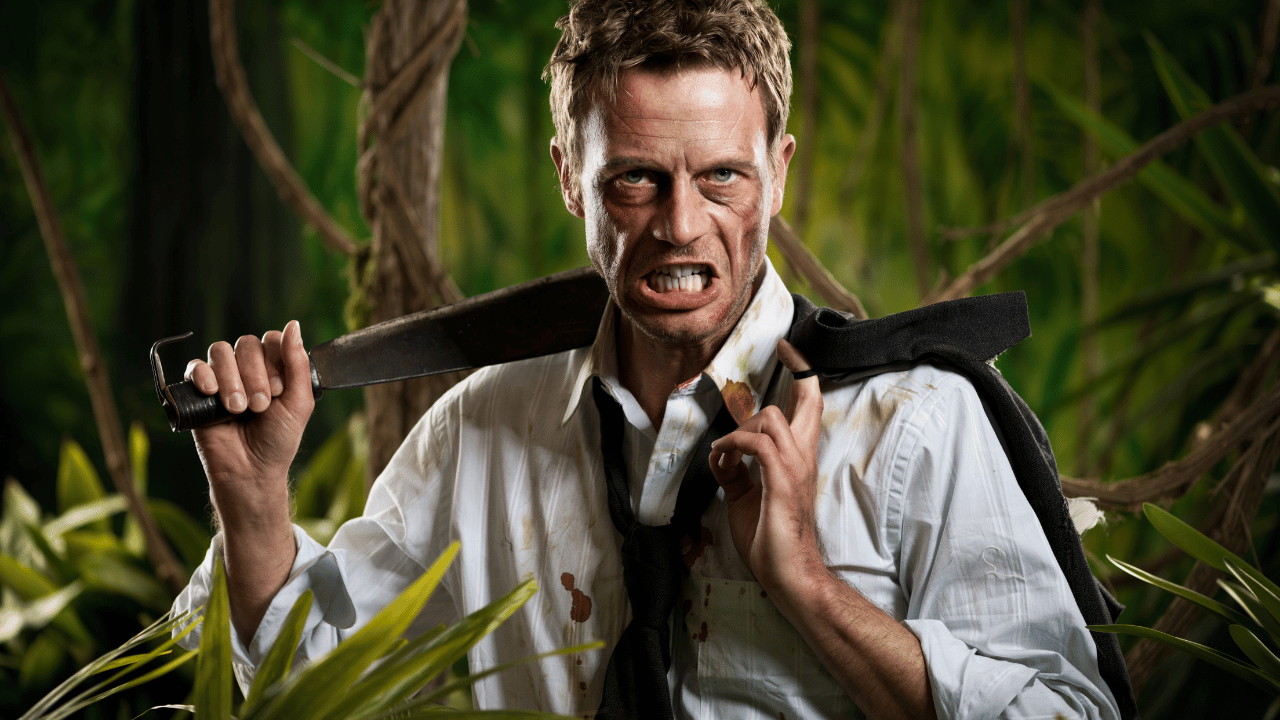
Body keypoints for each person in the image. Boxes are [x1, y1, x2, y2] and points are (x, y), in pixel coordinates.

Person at [174, 1, 1123, 718]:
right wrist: (253, 505)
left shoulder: (917, 424)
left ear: (779, 173)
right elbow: (306, 685)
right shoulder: (480, 430)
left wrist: (807, 584)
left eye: (722, 177)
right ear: (568, 178)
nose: (680, 224)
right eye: (634, 178)